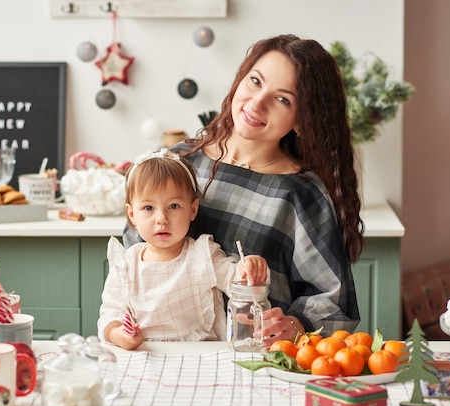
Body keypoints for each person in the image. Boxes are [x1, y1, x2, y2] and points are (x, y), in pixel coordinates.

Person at [124, 34, 364, 344]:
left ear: (302, 120)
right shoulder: (176, 162)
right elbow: (130, 258)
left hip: (252, 360)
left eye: (283, 99)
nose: (257, 102)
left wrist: (294, 325)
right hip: (157, 351)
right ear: (240, 79)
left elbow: (334, 303)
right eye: (255, 81)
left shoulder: (300, 194)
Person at [98, 149, 269, 350]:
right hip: (144, 354)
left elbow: (239, 284)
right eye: (148, 208)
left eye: (173, 206)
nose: (161, 218)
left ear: (193, 210)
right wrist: (120, 335)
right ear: (132, 214)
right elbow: (111, 314)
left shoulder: (202, 256)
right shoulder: (126, 265)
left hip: (199, 356)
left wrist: (249, 268)